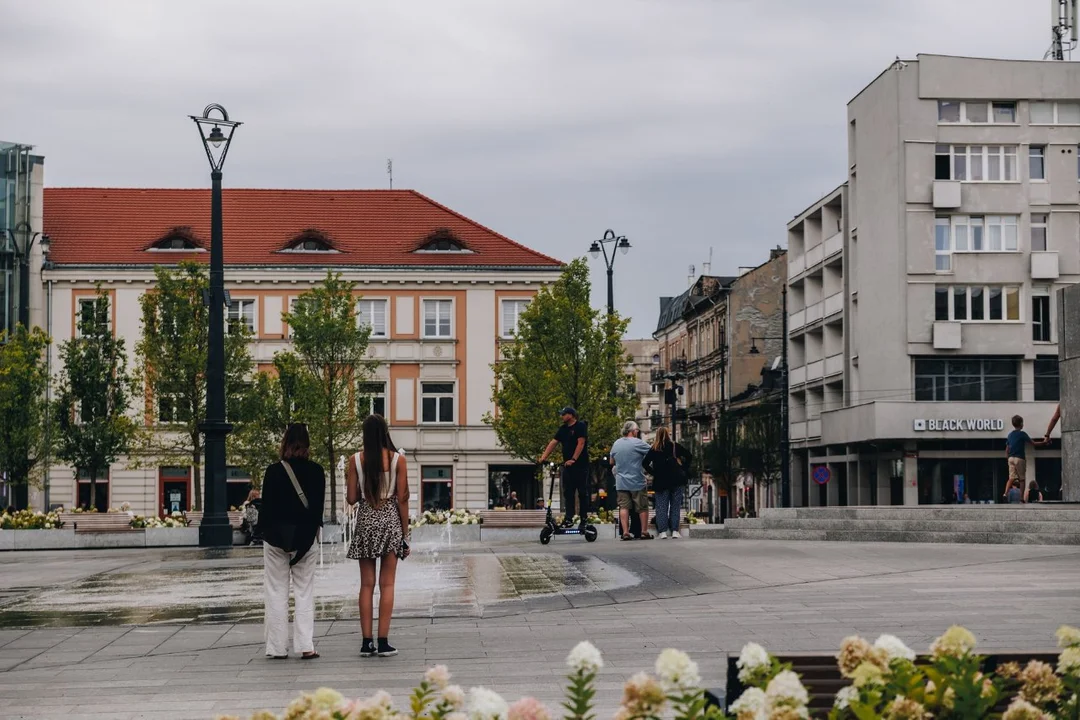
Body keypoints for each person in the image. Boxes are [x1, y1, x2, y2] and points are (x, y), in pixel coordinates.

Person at [346, 414, 411, 658]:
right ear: (385, 432)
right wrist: (405, 534)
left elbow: (352, 498)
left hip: (366, 519)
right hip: (390, 519)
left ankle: (366, 643)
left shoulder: (355, 460)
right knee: (388, 584)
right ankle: (383, 642)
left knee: (366, 584)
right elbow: (402, 500)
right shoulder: (398, 460)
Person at [260, 423, 325, 660]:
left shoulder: (273, 471)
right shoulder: (317, 471)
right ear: (307, 445)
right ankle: (306, 646)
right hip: (305, 539)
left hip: (276, 539)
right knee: (304, 592)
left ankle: (276, 648)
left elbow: (266, 510)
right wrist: (305, 543)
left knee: (275, 591)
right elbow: (316, 512)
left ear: (285, 442)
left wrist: (268, 535)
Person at [538, 407, 589, 528]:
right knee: (568, 493)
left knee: (582, 493)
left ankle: (584, 519)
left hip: (580, 465)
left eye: (563, 414)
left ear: (571, 415)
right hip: (567, 466)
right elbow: (553, 442)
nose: (562, 416)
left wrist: (574, 459)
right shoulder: (563, 429)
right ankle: (568, 518)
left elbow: (581, 443)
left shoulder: (580, 426)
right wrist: (543, 457)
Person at [643, 427, 692, 539]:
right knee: (675, 506)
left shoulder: (654, 449)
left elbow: (645, 463)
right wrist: (683, 468)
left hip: (661, 481)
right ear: (668, 434)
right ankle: (675, 531)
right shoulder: (675, 446)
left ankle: (662, 532)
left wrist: (654, 472)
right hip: (677, 481)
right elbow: (689, 456)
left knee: (661, 507)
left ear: (657, 435)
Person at [610, 420, 653, 541]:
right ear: (633, 431)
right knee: (642, 507)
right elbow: (652, 453)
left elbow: (611, 462)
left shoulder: (616, 443)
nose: (638, 432)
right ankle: (644, 531)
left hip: (621, 482)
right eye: (637, 430)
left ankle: (625, 532)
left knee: (624, 507)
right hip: (637, 481)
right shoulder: (638, 443)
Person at [1005, 415, 1048, 500]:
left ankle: (1005, 493)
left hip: (1011, 458)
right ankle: (1021, 498)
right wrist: (1044, 443)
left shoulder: (1010, 435)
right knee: (1022, 479)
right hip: (1019, 458)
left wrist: (1008, 458)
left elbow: (1007, 449)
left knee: (1011, 478)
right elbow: (1033, 443)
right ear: (1021, 424)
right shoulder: (1022, 434)